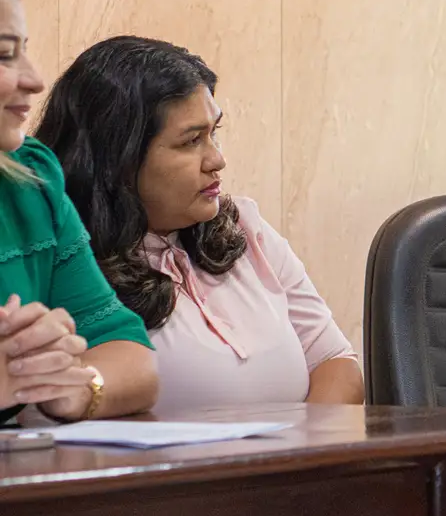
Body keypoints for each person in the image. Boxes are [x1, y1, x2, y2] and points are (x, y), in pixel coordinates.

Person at [35, 36, 363, 411]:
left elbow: (336, 362)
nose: (217, 160)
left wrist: (301, 444)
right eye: (191, 141)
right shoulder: (65, 262)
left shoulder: (244, 226)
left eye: (213, 133)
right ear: (118, 158)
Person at [0, 0, 159, 425]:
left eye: (24, 50)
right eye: (4, 55)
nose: (34, 79)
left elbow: (132, 358)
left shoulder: (30, 180)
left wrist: (72, 386)